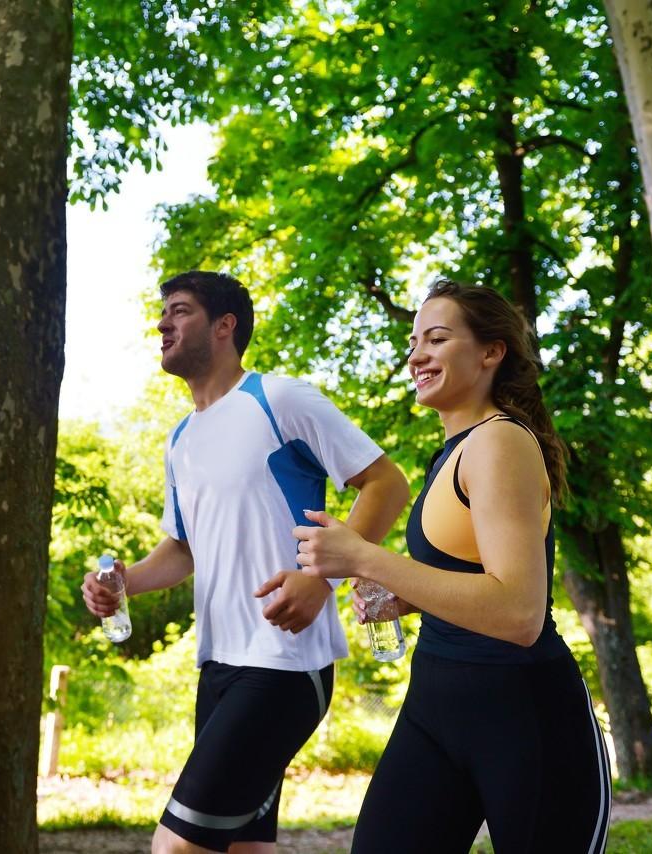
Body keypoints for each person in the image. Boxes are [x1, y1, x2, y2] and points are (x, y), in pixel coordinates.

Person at [82, 271, 410, 854]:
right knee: (243, 848)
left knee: (177, 847)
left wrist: (321, 579)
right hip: (219, 667)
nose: (162, 324)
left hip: (283, 664)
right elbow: (182, 550)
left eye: (180, 311)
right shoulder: (180, 439)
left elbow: (385, 482)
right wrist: (121, 582)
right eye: (164, 314)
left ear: (224, 325)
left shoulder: (278, 400)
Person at [293, 279, 611, 853]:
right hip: (437, 707)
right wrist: (404, 594)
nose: (416, 355)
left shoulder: (501, 442)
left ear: (492, 352)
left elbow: (519, 613)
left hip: (526, 719)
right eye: (414, 342)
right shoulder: (454, 450)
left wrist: (368, 557)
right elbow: (474, 575)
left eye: (436, 339)